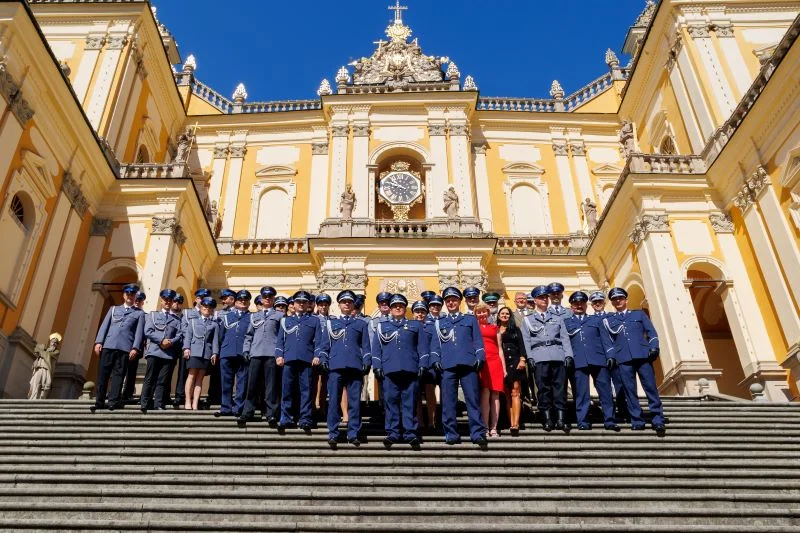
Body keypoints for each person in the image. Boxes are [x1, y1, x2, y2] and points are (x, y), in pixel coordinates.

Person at [430, 287, 488, 447]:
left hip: (468, 364)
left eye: (454, 300)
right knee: (448, 402)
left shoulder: (469, 320)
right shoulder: (439, 323)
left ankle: (477, 433)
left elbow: (477, 341)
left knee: (473, 400)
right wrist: (435, 359)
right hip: (447, 365)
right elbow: (435, 345)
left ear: (459, 301)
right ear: (445, 304)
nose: (451, 303)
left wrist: (480, 357)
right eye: (448, 301)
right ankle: (450, 433)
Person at [605, 287, 666, 435]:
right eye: (615, 299)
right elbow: (609, 340)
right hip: (623, 358)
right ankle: (637, 420)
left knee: (650, 388)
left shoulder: (638, 314)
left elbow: (651, 331)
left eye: (620, 298)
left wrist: (654, 346)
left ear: (626, 300)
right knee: (629, 391)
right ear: (612, 303)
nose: (618, 301)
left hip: (643, 355)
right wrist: (612, 356)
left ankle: (657, 419)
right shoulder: (610, 320)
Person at [373, 294, 427, 448]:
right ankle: (393, 432)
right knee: (391, 402)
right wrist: (377, 366)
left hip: (410, 368)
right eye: (395, 306)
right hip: (389, 369)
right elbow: (377, 349)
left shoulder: (415, 325)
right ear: (390, 309)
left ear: (405, 309)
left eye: (401, 306)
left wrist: (423, 363)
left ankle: (410, 433)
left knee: (409, 402)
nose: (398, 308)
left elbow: (422, 347)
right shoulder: (382, 327)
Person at [563, 291, 619, 431]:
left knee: (605, 390)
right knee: (582, 393)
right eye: (576, 303)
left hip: (598, 359)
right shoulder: (566, 323)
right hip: (578, 360)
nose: (579, 305)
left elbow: (605, 339)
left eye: (581, 303)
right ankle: (583, 420)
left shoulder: (596, 320)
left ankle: (610, 420)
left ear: (586, 305)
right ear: (571, 306)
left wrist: (610, 355)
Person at [321, 290, 371, 447]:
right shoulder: (331, 323)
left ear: (352, 304)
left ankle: (353, 433)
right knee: (334, 401)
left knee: (355, 402)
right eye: (344, 302)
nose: (347, 304)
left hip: (355, 366)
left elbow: (366, 346)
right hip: (335, 366)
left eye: (349, 302)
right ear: (339, 304)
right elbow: (324, 345)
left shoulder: (361, 324)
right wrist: (323, 358)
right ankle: (333, 433)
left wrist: (367, 361)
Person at [520, 285, 573, 432]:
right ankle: (547, 419)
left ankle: (561, 419)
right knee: (543, 389)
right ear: (535, 300)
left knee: (560, 388)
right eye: (541, 297)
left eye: (546, 297)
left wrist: (568, 355)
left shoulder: (557, 318)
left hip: (557, 355)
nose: (545, 300)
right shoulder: (528, 320)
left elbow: (564, 338)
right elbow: (526, 340)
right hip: (539, 357)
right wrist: (529, 357)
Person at [275, 291, 327, 432]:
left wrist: (317, 355)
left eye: (304, 302)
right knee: (287, 390)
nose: (301, 304)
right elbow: (280, 340)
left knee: (306, 390)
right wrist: (279, 355)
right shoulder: (286, 320)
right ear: (294, 304)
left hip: (307, 359)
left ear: (308, 304)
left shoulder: (314, 320)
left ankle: (305, 419)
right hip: (289, 358)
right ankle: (285, 418)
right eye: (299, 302)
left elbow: (319, 341)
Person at [91, 283, 145, 412]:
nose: (130, 296)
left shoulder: (139, 314)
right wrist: (99, 342)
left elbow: (139, 333)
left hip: (124, 348)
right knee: (103, 374)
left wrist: (135, 348)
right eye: (128, 294)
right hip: (109, 345)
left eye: (132, 295)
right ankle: (99, 401)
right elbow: (105, 326)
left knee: (118, 375)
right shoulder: (114, 309)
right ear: (124, 295)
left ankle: (113, 401)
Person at [239, 287, 283, 426]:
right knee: (251, 385)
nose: (268, 299)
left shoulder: (280, 316)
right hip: (256, 353)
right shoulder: (254, 316)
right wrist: (246, 350)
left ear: (273, 299)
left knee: (271, 387)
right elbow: (249, 335)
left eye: (270, 296)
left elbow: (282, 337)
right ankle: (247, 412)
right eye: (265, 296)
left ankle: (271, 414)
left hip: (271, 354)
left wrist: (279, 354)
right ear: (262, 299)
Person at [140, 289, 182, 413]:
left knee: (162, 380)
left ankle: (158, 403)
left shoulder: (176, 320)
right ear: (162, 301)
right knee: (150, 378)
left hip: (168, 353)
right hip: (154, 351)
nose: (168, 302)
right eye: (166, 300)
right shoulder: (153, 315)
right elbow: (148, 331)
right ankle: (145, 402)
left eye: (170, 300)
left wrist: (170, 342)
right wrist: (162, 340)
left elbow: (179, 335)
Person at [590, 290, 629, 420]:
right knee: (603, 388)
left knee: (620, 385)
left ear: (604, 302)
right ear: (591, 305)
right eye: (595, 302)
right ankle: (609, 415)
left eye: (600, 301)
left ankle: (624, 411)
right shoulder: (589, 320)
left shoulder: (613, 316)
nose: (597, 304)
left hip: (616, 357)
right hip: (599, 358)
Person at [216, 290, 251, 418]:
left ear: (249, 302)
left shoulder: (252, 317)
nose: (243, 302)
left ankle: (238, 408)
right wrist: (219, 351)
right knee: (226, 381)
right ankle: (225, 407)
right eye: (240, 300)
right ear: (235, 302)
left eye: (245, 300)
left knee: (242, 382)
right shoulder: (226, 316)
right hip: (227, 351)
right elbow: (220, 335)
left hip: (243, 353)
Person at [182, 296, 220, 410]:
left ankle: (195, 403)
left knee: (200, 379)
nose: (207, 309)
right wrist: (186, 348)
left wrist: (215, 353)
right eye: (205, 306)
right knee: (191, 376)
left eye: (210, 307)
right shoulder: (193, 321)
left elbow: (215, 340)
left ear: (212, 310)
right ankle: (188, 401)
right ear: (201, 306)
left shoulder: (214, 324)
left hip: (206, 353)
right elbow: (188, 336)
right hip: (194, 351)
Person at [475, 303, 506, 437]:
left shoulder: (495, 328)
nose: (482, 314)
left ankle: (494, 427)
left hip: (494, 362)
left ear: (488, 313)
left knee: (496, 395)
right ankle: (485, 427)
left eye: (484, 312)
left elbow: (500, 348)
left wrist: (503, 367)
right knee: (485, 394)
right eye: (479, 312)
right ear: (475, 314)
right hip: (482, 362)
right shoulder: (474, 327)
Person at [497, 306, 527, 436]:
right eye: (502, 313)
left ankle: (516, 423)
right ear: (498, 316)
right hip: (501, 364)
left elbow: (521, 345)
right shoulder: (495, 329)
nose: (505, 315)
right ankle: (511, 422)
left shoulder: (515, 329)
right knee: (507, 394)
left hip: (515, 362)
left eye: (507, 314)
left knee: (516, 392)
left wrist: (522, 359)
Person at [413, 300, 437, 432]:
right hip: (414, 364)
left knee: (430, 391)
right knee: (416, 393)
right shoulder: (409, 326)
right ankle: (420, 421)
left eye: (422, 312)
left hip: (428, 365)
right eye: (417, 312)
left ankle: (432, 420)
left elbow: (434, 345)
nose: (420, 314)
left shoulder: (431, 327)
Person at [121, 290, 148, 403]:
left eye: (140, 300)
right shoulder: (127, 312)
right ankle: (117, 391)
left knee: (132, 370)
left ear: (142, 302)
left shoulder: (146, 316)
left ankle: (128, 392)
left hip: (137, 347)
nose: (137, 302)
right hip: (123, 345)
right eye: (136, 300)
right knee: (120, 369)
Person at [163, 293, 186, 408]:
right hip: (169, 347)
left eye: (179, 302)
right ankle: (165, 395)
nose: (176, 304)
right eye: (175, 301)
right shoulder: (165, 315)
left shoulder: (184, 316)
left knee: (182, 372)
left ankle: (179, 396)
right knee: (167, 372)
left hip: (182, 347)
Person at [314, 293, 333, 421]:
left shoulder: (332, 319)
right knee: (316, 381)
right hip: (316, 354)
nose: (323, 307)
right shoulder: (313, 319)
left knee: (326, 382)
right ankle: (316, 406)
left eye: (325, 305)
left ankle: (323, 408)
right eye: (321, 305)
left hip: (329, 354)